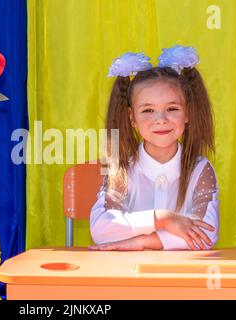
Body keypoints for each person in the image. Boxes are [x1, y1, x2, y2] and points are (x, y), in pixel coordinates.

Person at [89, 46, 219, 251]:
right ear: (132, 118)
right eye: (148, 110)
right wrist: (163, 219)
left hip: (182, 277)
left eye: (172, 109)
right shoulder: (120, 168)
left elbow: (206, 234)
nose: (161, 120)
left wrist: (140, 242)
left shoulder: (200, 169)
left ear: (188, 113)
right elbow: (101, 229)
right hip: (127, 277)